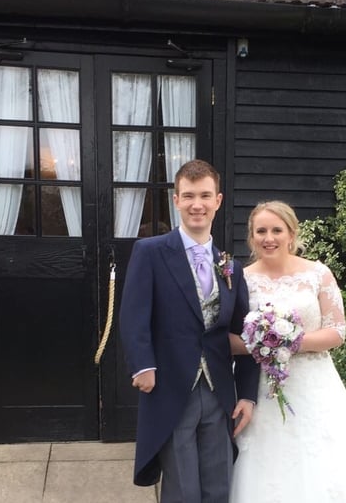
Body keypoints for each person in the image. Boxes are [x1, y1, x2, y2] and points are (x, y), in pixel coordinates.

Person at [228, 200, 346, 502]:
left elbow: (337, 331)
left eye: (277, 230)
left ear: (291, 234)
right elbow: (228, 339)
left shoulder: (318, 274)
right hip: (262, 388)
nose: (269, 238)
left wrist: (289, 341)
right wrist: (262, 343)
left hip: (314, 383)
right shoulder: (242, 279)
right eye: (261, 231)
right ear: (251, 237)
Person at [119, 159, 260, 502]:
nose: (197, 204)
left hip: (218, 389)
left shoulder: (231, 266)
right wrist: (142, 365)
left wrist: (247, 394)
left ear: (218, 201)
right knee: (183, 487)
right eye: (189, 196)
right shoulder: (150, 252)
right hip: (170, 385)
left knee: (219, 483)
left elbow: (247, 334)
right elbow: (134, 314)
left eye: (205, 196)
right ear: (176, 200)